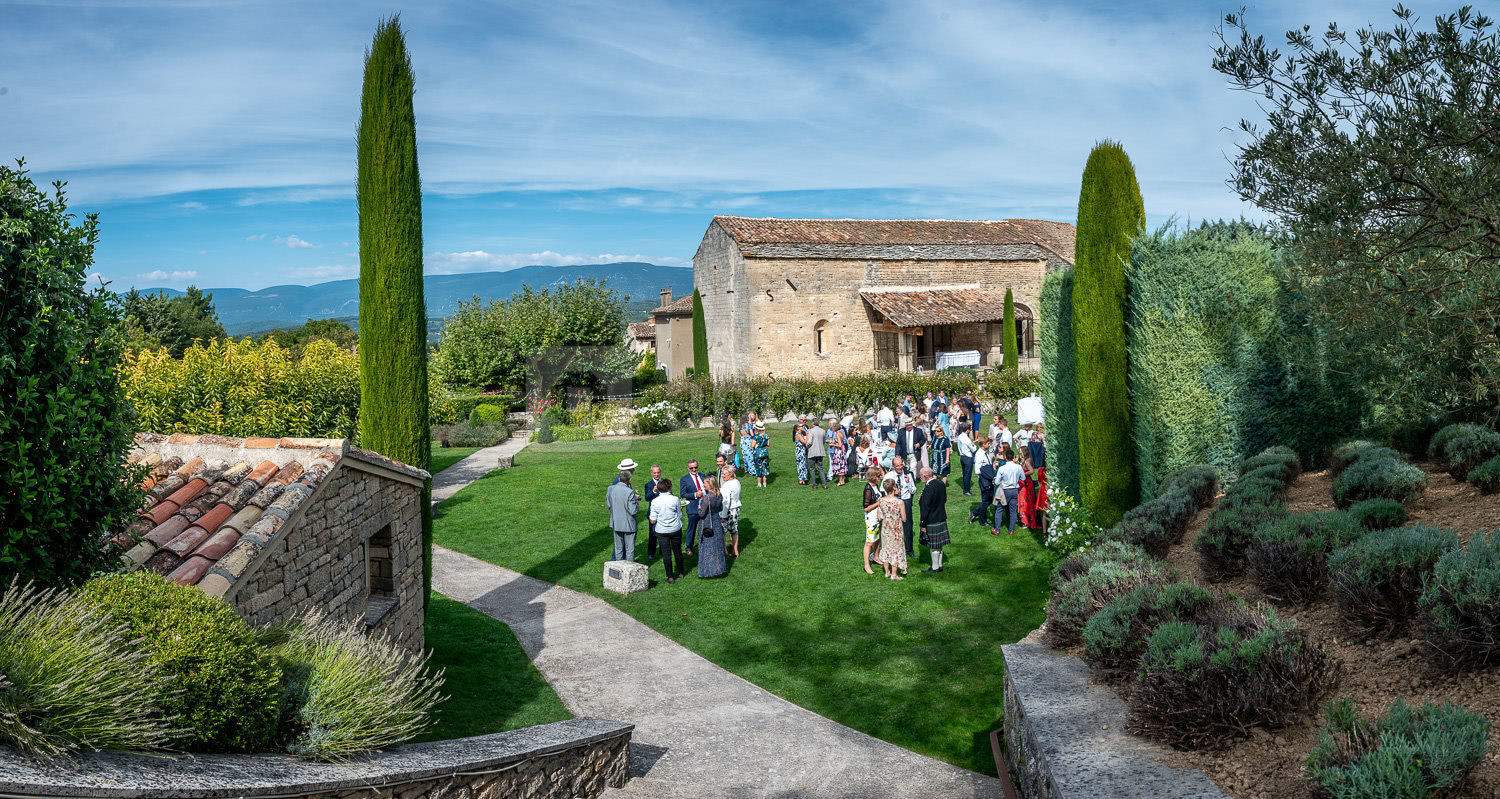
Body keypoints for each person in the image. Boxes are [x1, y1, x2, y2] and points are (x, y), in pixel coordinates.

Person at [649, 478, 684, 583]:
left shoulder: (654, 501)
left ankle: (670, 577)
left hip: (662, 531)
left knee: (666, 554)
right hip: (675, 529)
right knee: (677, 551)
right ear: (670, 488)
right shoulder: (675, 499)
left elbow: (652, 520)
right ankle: (681, 572)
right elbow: (680, 514)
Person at [918, 466, 949, 573]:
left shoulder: (928, 488)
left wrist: (923, 524)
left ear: (925, 476)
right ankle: (939, 565)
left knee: (934, 545)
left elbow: (925, 508)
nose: (920, 477)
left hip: (932, 519)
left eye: (921, 476)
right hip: (941, 517)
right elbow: (944, 499)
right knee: (939, 544)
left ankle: (935, 567)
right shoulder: (941, 483)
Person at [876, 478, 908, 580]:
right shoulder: (899, 502)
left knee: (885, 548)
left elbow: (879, 517)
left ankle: (887, 572)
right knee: (896, 549)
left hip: (885, 528)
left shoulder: (880, 501)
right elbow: (904, 518)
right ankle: (894, 574)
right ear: (894, 488)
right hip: (896, 528)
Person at [696, 476, 727, 578]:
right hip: (716, 522)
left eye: (705, 483)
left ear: (710, 485)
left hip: (706, 523)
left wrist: (698, 507)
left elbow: (701, 514)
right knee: (717, 547)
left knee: (707, 547)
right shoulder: (719, 494)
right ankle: (719, 568)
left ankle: (708, 571)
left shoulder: (707, 498)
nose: (703, 485)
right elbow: (720, 508)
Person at [606, 468, 639, 561]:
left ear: (619, 479)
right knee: (629, 550)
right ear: (629, 480)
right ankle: (628, 572)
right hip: (628, 525)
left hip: (616, 523)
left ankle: (618, 571)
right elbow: (633, 511)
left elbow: (609, 505)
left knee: (618, 549)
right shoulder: (629, 492)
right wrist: (636, 504)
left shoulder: (610, 489)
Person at [891, 455, 917, 558]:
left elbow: (913, 491)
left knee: (908, 525)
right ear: (893, 466)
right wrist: (893, 492)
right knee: (894, 526)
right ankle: (895, 549)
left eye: (901, 464)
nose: (900, 467)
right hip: (894, 502)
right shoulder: (889, 476)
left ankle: (909, 549)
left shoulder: (908, 474)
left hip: (906, 501)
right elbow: (882, 490)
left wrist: (909, 482)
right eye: (897, 466)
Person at [995, 448, 1025, 536]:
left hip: (1004, 490)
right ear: (1014, 457)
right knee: (1013, 511)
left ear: (1005, 457)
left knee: (999, 509)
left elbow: (996, 482)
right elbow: (1023, 478)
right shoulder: (1018, 467)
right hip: (1015, 490)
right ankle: (1011, 530)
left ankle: (997, 530)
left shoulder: (1002, 468)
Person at [680, 460, 707, 555]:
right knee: (691, 529)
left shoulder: (703, 476)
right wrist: (695, 494)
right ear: (688, 468)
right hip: (693, 507)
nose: (694, 469)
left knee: (704, 527)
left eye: (695, 467)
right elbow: (683, 494)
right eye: (691, 468)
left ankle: (703, 546)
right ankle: (688, 547)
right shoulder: (684, 479)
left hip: (705, 506)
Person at [862, 467, 884, 574]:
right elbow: (866, 508)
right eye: (879, 476)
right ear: (873, 477)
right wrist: (878, 503)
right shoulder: (868, 489)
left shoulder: (876, 486)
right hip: (871, 518)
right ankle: (866, 565)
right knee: (869, 542)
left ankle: (876, 557)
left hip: (877, 517)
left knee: (877, 538)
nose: (880, 477)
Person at [720, 467, 742, 557]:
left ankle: (725, 552)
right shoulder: (737, 482)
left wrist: (723, 515)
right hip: (736, 509)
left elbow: (726, 501)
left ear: (730, 474)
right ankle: (735, 550)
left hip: (728, 510)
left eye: (724, 474)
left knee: (722, 532)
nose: (722, 476)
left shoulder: (726, 486)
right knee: (734, 530)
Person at [643, 463, 664, 560]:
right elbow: (647, 498)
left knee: (663, 533)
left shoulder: (664, 482)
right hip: (653, 513)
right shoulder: (648, 484)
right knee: (652, 534)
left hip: (664, 512)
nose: (656, 475)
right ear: (651, 473)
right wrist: (654, 491)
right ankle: (651, 553)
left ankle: (663, 551)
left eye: (658, 473)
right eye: (655, 473)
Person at [976, 448, 998, 527]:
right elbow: (977, 470)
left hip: (988, 479)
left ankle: (974, 513)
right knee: (985, 501)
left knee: (990, 500)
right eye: (988, 443)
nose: (989, 445)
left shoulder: (986, 453)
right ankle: (982, 521)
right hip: (985, 481)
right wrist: (984, 476)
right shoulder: (979, 454)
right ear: (983, 444)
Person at [806, 417, 828, 489]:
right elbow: (824, 441)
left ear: (813, 423)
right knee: (820, 468)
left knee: (812, 468)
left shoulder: (811, 431)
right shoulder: (823, 431)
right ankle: (824, 484)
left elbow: (809, 442)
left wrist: (806, 446)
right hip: (820, 451)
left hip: (812, 451)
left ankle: (814, 485)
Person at [955, 422, 976, 495]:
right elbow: (973, 449)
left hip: (962, 457)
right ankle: (966, 490)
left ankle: (965, 488)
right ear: (967, 430)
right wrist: (973, 444)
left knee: (964, 474)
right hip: (968, 457)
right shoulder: (966, 439)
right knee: (968, 474)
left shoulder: (960, 436)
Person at [739, 411, 759, 477]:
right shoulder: (748, 425)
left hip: (742, 441)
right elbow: (752, 434)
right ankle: (752, 471)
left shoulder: (740, 426)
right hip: (748, 440)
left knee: (745, 456)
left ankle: (746, 468)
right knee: (750, 456)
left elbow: (740, 435)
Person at [751, 422, 770, 487]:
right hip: (765, 452)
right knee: (765, 467)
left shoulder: (755, 436)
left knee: (758, 467)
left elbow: (752, 445)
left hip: (758, 453)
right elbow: (768, 444)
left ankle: (759, 483)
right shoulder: (766, 435)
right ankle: (765, 483)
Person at [793, 417, 810, 485]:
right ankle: (802, 479)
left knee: (802, 464)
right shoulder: (798, 435)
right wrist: (807, 434)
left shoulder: (799, 434)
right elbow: (805, 442)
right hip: (800, 451)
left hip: (800, 450)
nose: (802, 426)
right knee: (801, 464)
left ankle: (803, 479)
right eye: (801, 426)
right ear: (798, 428)